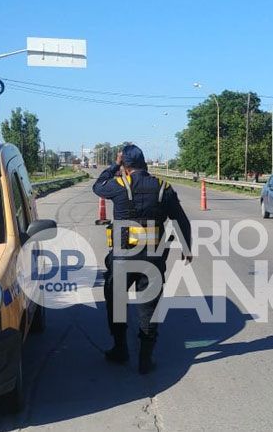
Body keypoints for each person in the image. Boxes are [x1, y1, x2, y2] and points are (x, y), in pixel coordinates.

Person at [93, 144, 192, 374]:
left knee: (116, 303)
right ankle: (145, 360)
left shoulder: (117, 185)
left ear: (125, 167)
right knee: (149, 308)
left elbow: (97, 186)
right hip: (153, 259)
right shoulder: (163, 188)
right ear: (144, 164)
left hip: (122, 258)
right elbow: (180, 220)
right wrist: (187, 247)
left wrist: (113, 166)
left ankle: (120, 349)